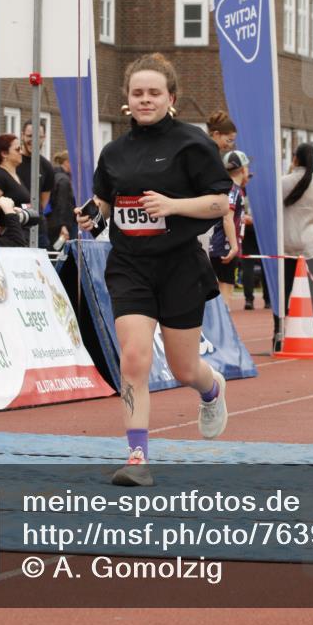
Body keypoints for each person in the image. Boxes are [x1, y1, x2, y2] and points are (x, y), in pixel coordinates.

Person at [76, 53, 232, 487]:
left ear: (171, 98)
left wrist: (174, 206)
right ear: (127, 101)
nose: (145, 100)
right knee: (134, 360)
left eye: (153, 93)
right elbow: (106, 200)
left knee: (184, 370)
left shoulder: (192, 144)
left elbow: (221, 202)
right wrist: (93, 212)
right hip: (129, 265)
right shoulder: (114, 152)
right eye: (137, 93)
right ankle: (137, 458)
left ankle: (211, 388)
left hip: (180, 265)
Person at [280, 142, 313, 345]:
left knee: (285, 291)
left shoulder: (283, 182)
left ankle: (281, 331)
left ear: (295, 159)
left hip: (288, 245)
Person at [209, 150, 249, 310]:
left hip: (218, 246)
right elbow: (227, 217)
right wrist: (234, 246)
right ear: (243, 169)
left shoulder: (227, 188)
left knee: (221, 290)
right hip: (224, 247)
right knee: (225, 291)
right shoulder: (233, 190)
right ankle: (222, 330)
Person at [18, 120, 54, 248]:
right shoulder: (12, 162)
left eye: (38, 136)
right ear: (22, 135)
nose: (33, 140)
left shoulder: (46, 167)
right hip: (14, 227)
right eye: (29, 136)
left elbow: (43, 202)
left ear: (43, 138)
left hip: (38, 229)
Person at [0, 134, 31, 208]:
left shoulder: (13, 174)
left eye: (21, 149)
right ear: (4, 153)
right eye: (17, 149)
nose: (21, 152)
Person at [47, 150, 78, 249]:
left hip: (52, 223)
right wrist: (63, 226)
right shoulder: (64, 180)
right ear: (67, 162)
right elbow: (62, 205)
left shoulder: (55, 176)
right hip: (62, 226)